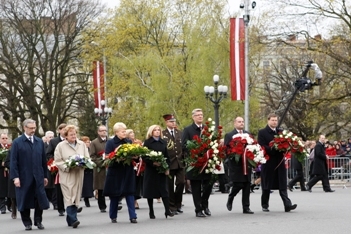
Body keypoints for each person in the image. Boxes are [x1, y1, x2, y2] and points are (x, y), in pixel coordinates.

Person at [10, 119, 49, 230]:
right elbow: (13, 161)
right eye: (31, 128)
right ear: (24, 128)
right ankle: (27, 222)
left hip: (38, 175)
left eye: (34, 128)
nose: (33, 130)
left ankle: (38, 221)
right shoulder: (17, 142)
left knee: (39, 199)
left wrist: (45, 175)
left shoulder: (39, 141)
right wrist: (15, 177)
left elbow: (43, 160)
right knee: (24, 199)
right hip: (24, 176)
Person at [257, 113, 297, 212]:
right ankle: (265, 204)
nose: (274, 122)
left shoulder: (281, 132)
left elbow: (287, 143)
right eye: (272, 120)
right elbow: (262, 145)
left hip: (279, 161)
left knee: (282, 184)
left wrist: (286, 147)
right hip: (268, 161)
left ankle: (287, 205)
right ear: (268, 120)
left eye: (276, 120)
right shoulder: (262, 132)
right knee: (267, 184)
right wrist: (274, 148)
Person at [54, 125, 90, 228]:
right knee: (69, 195)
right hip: (67, 174)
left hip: (79, 173)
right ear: (66, 136)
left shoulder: (82, 144)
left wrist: (83, 164)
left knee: (76, 195)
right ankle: (74, 219)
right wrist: (68, 166)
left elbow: (87, 157)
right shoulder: (60, 146)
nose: (73, 136)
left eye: (75, 134)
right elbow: (58, 161)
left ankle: (70, 218)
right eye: (71, 134)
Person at [103, 122, 137, 224]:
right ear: (116, 132)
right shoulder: (111, 142)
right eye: (122, 131)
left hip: (127, 170)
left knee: (130, 193)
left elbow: (134, 155)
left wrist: (136, 156)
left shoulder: (128, 142)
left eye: (125, 131)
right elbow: (107, 157)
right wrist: (117, 154)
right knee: (115, 195)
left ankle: (133, 216)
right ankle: (113, 216)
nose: (124, 132)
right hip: (116, 171)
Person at [182, 108, 213, 218]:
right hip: (195, 163)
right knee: (196, 187)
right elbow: (184, 145)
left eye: (201, 114)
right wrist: (195, 150)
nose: (200, 116)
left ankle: (205, 205)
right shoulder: (188, 129)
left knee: (208, 185)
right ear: (193, 117)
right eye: (198, 115)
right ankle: (198, 209)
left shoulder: (207, 128)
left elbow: (213, 142)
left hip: (207, 162)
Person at [224, 117, 254, 214]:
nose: (241, 123)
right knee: (238, 184)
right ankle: (231, 196)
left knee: (247, 185)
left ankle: (246, 207)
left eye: (242, 122)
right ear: (235, 123)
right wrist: (234, 153)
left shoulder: (248, 134)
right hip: (236, 164)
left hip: (247, 164)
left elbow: (253, 146)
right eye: (239, 122)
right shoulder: (229, 135)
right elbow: (226, 149)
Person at [143, 125, 173, 219]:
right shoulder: (147, 143)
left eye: (158, 130)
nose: (157, 132)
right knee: (150, 191)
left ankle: (167, 210)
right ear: (151, 132)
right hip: (151, 170)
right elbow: (144, 156)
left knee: (164, 190)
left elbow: (167, 156)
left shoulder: (163, 142)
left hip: (161, 170)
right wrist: (153, 163)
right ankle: (151, 211)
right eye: (155, 130)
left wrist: (167, 167)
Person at [162, 114, 185, 214]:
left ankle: (178, 203)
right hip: (170, 163)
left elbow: (182, 146)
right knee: (170, 185)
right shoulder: (163, 134)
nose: (173, 123)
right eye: (171, 121)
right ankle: (172, 206)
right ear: (166, 122)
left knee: (181, 182)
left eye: (174, 121)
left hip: (180, 162)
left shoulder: (179, 133)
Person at [90, 125, 108, 212]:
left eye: (105, 130)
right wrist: (102, 162)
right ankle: (102, 206)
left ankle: (115, 203)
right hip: (100, 168)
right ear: (98, 132)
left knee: (111, 185)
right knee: (101, 187)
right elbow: (92, 156)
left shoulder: (110, 141)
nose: (104, 132)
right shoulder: (94, 142)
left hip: (110, 166)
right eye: (102, 131)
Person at [126, 129, 143, 209]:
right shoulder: (126, 143)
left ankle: (136, 197)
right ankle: (133, 201)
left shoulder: (138, 142)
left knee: (137, 182)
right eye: (130, 133)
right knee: (131, 183)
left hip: (138, 164)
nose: (132, 134)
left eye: (133, 132)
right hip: (130, 163)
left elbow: (143, 151)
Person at [80, 136, 94, 207]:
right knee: (85, 185)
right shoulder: (80, 149)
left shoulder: (90, 149)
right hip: (83, 169)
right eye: (85, 142)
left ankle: (89, 196)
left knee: (89, 184)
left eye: (88, 142)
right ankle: (86, 199)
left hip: (90, 169)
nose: (87, 143)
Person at [0, 133, 10, 214]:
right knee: (2, 188)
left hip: (9, 171)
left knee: (9, 188)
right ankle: (2, 207)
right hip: (1, 171)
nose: (4, 140)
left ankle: (10, 205)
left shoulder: (10, 147)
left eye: (6, 138)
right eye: (3, 138)